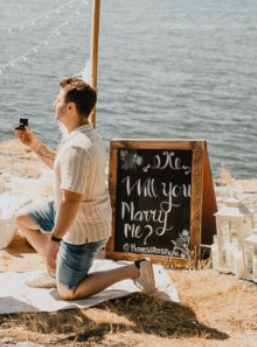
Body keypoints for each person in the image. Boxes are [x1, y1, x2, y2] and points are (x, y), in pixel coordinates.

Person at [14, 77, 157, 300]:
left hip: (84, 228)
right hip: (68, 211)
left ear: (71, 107)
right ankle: (55, 272)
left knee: (68, 292)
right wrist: (34, 145)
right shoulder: (82, 135)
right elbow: (61, 165)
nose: (54, 103)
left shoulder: (77, 148)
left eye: (58, 100)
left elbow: (71, 201)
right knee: (23, 219)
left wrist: (55, 241)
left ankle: (135, 269)